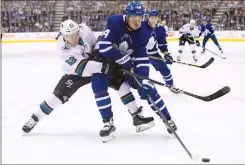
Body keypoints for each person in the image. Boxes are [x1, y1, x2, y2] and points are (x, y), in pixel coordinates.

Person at [22, 19, 154, 136]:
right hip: (76, 74)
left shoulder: (84, 30)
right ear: (64, 35)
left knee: (121, 84)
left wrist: (98, 52)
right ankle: (34, 119)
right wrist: (105, 67)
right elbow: (82, 67)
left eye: (75, 33)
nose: (74, 37)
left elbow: (99, 40)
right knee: (57, 97)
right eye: (70, 36)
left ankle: (136, 116)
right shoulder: (62, 49)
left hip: (96, 63)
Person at [92, 1, 177, 143]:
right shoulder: (114, 21)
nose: (137, 20)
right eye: (133, 17)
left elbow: (142, 58)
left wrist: (143, 78)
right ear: (126, 16)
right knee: (98, 86)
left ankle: (168, 119)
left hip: (125, 66)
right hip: (106, 62)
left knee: (148, 88)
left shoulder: (143, 33)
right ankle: (108, 123)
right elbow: (104, 46)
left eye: (140, 17)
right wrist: (122, 58)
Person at [141, 9, 180, 94]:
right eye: (152, 17)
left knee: (165, 69)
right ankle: (132, 88)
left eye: (155, 17)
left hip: (153, 54)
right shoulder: (142, 25)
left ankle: (171, 85)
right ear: (149, 17)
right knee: (139, 72)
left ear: (158, 18)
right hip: (140, 53)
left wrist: (166, 55)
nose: (153, 19)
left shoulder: (161, 29)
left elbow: (162, 44)